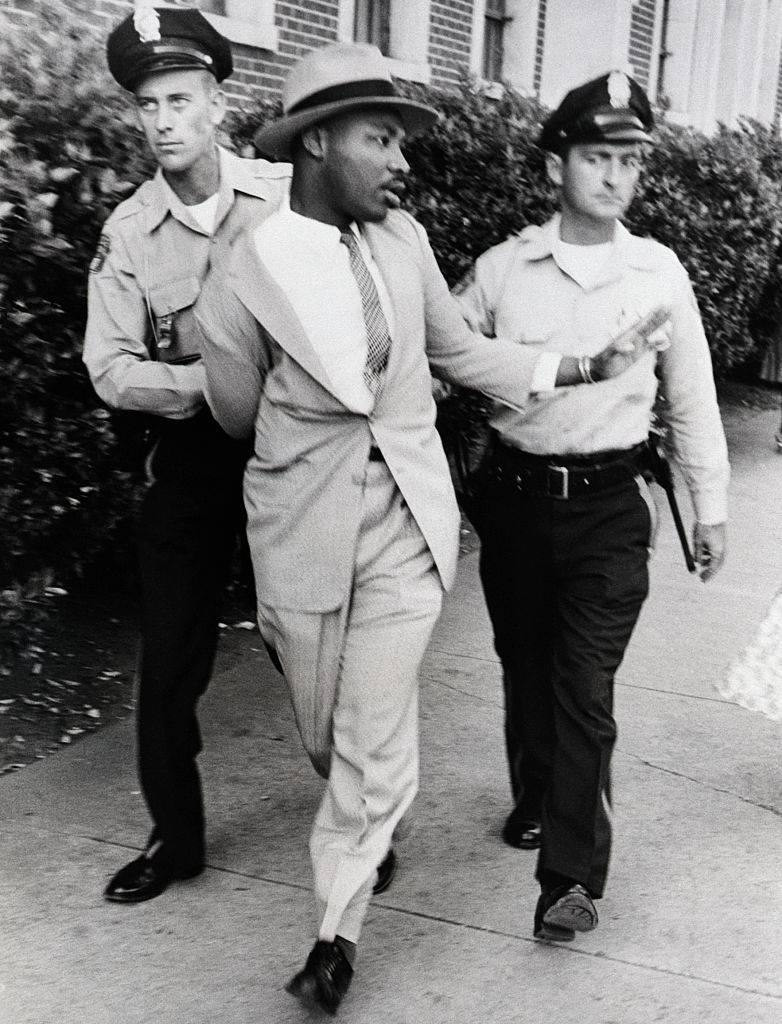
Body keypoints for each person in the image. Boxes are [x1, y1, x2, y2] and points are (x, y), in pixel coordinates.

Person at [194, 44, 669, 1014]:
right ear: (316, 142)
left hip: (406, 526)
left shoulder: (403, 242)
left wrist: (584, 367)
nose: (401, 161)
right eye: (381, 140)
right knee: (329, 734)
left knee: (371, 733)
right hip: (300, 532)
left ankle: (334, 936)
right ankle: (370, 821)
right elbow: (236, 412)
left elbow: (466, 353)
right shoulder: (241, 271)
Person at [453, 70, 730, 943]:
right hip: (516, 501)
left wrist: (710, 507)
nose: (615, 176)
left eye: (630, 161)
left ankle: (568, 879)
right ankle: (537, 789)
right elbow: (444, 357)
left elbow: (692, 396)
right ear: (555, 167)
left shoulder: (658, 273)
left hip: (611, 507)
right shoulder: (501, 271)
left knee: (584, 685)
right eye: (597, 157)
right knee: (526, 663)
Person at [82, 5, 291, 904]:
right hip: (193, 454)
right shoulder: (130, 231)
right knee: (168, 661)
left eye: (179, 100)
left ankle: (362, 821)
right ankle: (175, 837)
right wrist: (216, 382)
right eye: (147, 105)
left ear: (217, 104)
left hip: (291, 447)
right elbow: (110, 367)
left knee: (310, 645)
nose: (163, 121)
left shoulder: (284, 198)